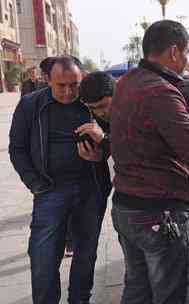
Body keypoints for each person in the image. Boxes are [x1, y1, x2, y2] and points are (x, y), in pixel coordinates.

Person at [110, 20, 189, 304]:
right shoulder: (161, 91)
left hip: (127, 205)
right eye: (186, 54)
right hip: (158, 211)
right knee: (168, 293)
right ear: (174, 51)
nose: (187, 61)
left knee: (137, 289)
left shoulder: (125, 83)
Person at [9, 56, 110, 304]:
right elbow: (17, 149)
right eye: (61, 86)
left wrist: (101, 150)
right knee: (43, 260)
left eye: (74, 84)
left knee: (86, 256)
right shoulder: (31, 105)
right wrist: (35, 183)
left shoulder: (91, 101)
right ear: (47, 81)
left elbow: (116, 139)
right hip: (50, 191)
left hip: (90, 190)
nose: (68, 91)